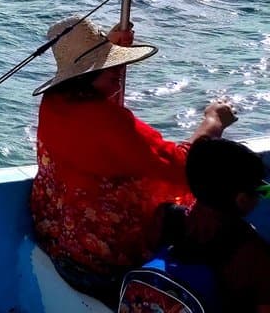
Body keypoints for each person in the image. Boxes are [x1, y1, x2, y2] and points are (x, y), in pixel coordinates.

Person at [30, 16, 236, 306]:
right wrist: (213, 122)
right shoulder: (108, 123)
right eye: (108, 65)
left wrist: (111, 46)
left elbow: (97, 121)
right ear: (85, 75)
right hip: (100, 265)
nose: (117, 71)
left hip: (57, 241)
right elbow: (184, 168)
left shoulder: (54, 103)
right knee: (212, 217)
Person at [147, 138, 270, 312]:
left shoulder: (166, 216)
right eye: (261, 191)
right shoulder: (253, 254)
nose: (262, 196)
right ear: (242, 200)